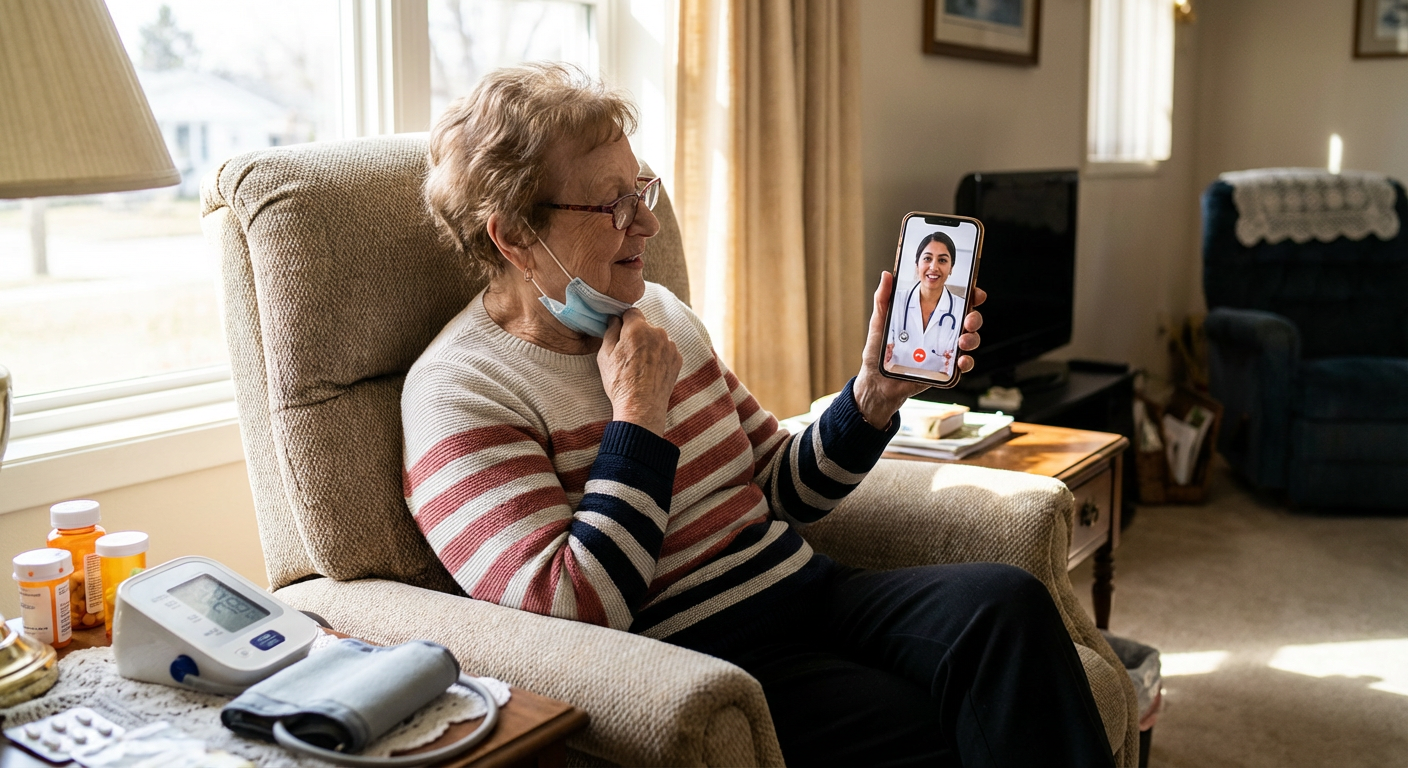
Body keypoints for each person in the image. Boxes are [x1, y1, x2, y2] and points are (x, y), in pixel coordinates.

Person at [405, 63, 1114, 767]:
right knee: (929, 723)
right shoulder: (459, 391)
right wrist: (639, 416)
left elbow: (780, 484)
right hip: (706, 654)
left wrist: (873, 397)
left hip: (808, 590)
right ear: (515, 237)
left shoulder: (657, 313)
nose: (647, 222)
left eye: (642, 189)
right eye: (612, 204)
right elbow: (573, 610)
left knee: (1006, 603)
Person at [887, 231, 967, 376]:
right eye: (927, 258)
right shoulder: (895, 301)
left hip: (938, 390)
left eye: (942, 260)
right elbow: (886, 361)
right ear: (917, 265)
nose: (933, 267)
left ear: (951, 268)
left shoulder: (962, 308)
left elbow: (952, 369)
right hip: (895, 384)